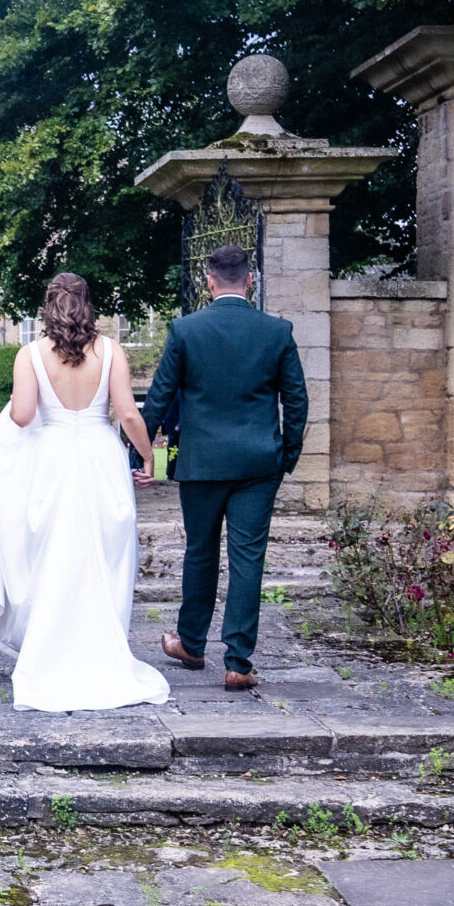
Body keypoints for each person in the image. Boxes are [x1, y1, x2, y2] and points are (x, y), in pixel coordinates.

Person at [0, 272, 170, 712]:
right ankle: (102, 653)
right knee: (106, 558)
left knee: (53, 558)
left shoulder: (30, 355)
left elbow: (24, 415)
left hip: (53, 461)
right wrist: (146, 456)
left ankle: (51, 655)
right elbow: (127, 412)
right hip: (101, 459)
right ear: (88, 304)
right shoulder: (110, 351)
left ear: (47, 307)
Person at [137, 243, 308, 691]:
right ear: (249, 280)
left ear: (208, 281)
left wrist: (135, 454)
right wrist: (286, 454)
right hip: (258, 462)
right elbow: (296, 400)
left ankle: (192, 644)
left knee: (201, 551)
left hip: (201, 461)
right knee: (248, 557)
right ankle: (238, 662)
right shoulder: (277, 331)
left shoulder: (185, 330)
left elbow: (158, 397)